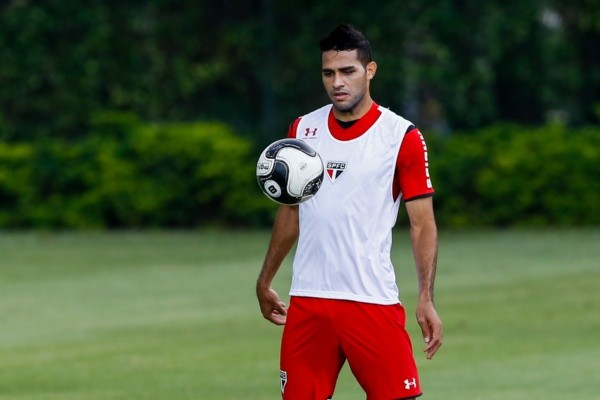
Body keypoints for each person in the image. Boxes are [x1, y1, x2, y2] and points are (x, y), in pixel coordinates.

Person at [256, 23, 442, 400]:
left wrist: (426, 296)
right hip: (308, 300)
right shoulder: (302, 129)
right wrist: (265, 279)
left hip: (370, 300)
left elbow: (423, 225)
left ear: (369, 70)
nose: (337, 82)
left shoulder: (401, 136)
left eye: (347, 71)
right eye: (328, 73)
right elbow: (290, 213)